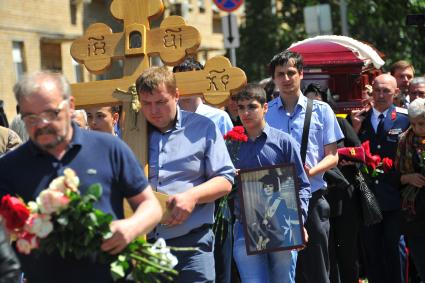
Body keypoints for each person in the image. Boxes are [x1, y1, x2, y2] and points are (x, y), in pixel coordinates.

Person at [0, 71, 162, 283]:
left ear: (70, 106)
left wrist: (131, 227)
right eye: (31, 117)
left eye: (50, 113)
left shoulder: (109, 148)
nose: (41, 124)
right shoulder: (10, 166)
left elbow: (151, 206)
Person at [136, 66, 235, 283]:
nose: (154, 111)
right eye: (147, 104)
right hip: (144, 246)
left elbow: (225, 179)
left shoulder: (202, 128)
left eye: (161, 102)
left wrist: (191, 197)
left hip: (192, 245)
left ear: (176, 95)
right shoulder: (132, 132)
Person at [265, 50, 344, 283]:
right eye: (281, 74)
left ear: (301, 74)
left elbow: (333, 156)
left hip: (314, 196)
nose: (287, 78)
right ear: (274, 78)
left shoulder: (322, 110)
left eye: (291, 72)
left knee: (318, 264)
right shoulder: (266, 112)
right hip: (277, 200)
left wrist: (312, 171)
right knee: (286, 267)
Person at [231, 83, 310, 283]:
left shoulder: (284, 142)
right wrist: (229, 177)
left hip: (283, 224)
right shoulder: (231, 145)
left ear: (265, 108)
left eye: (252, 106)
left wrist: (298, 221)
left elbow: (301, 185)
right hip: (244, 226)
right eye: (241, 107)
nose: (246, 112)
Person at [351, 74, 410, 283]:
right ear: (371, 92)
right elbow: (351, 153)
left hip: (395, 196)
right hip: (368, 197)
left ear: (396, 93)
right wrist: (355, 130)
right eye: (377, 90)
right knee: (372, 251)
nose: (381, 95)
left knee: (395, 248)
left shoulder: (405, 119)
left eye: (387, 91)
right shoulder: (359, 119)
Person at [304, 83, 363, 283]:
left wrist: (340, 157)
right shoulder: (302, 125)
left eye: (317, 98)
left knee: (346, 250)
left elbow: (359, 152)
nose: (313, 102)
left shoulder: (338, 121)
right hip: (318, 193)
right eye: (309, 98)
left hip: (341, 196)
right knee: (324, 252)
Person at [395, 97, 425, 282]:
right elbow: (394, 177)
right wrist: (409, 178)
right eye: (413, 124)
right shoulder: (404, 141)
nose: (417, 129)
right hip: (414, 210)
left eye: (422, 124)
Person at [172, 57, 233, 135]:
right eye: (181, 79)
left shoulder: (220, 118)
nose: (186, 85)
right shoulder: (167, 118)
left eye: (191, 80)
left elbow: (231, 146)